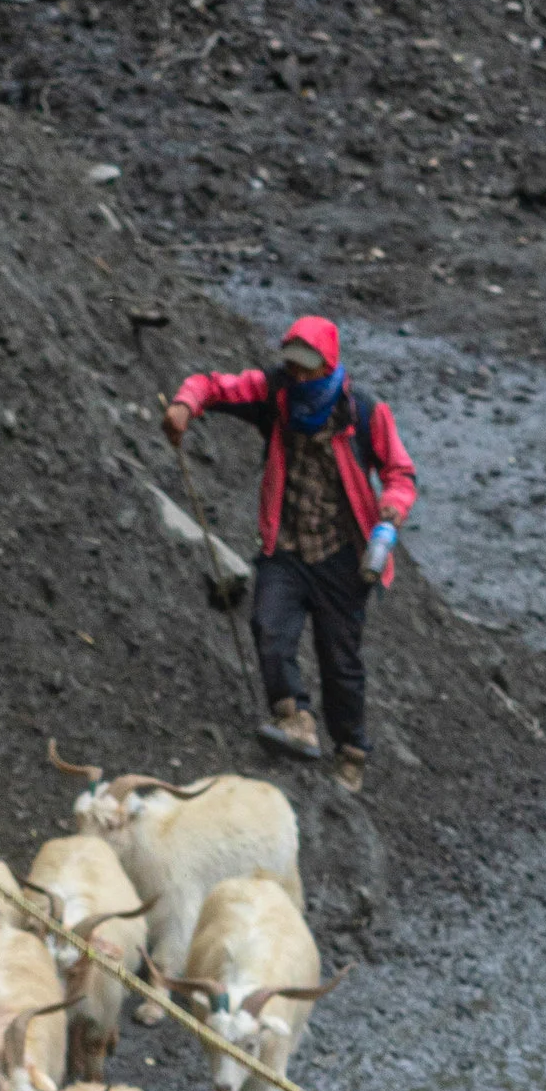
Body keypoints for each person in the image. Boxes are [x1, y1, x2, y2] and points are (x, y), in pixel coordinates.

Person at [162, 318, 417, 797]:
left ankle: (351, 753)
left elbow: (401, 472)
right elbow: (214, 386)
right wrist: (185, 404)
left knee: (339, 659)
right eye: (293, 369)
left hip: (343, 556)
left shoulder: (363, 412)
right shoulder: (273, 394)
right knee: (268, 625)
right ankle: (294, 717)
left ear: (329, 366)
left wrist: (394, 505)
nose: (299, 380)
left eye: (308, 371)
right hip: (287, 547)